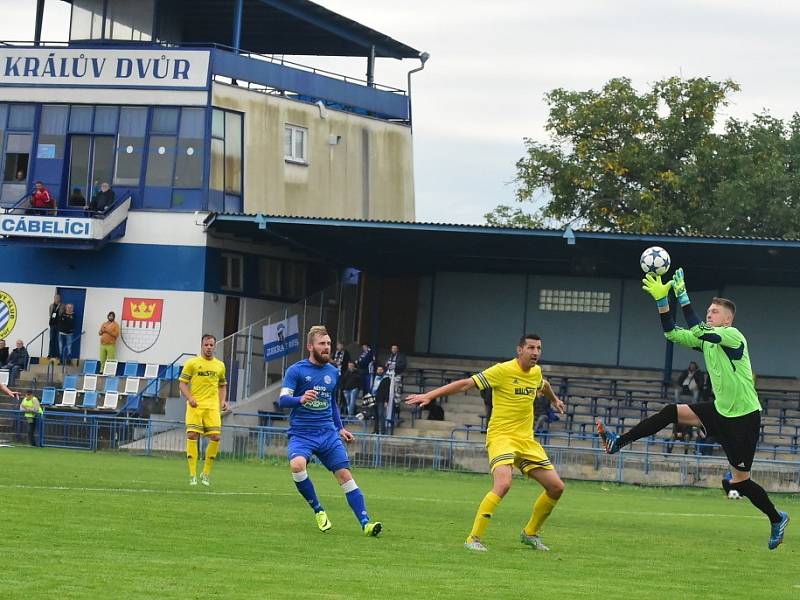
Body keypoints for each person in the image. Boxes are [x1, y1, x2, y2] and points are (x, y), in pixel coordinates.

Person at [597, 268, 789, 550]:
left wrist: (684, 296)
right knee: (670, 412)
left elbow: (700, 329)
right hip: (719, 410)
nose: (709, 314)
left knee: (741, 483)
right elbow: (673, 334)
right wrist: (663, 302)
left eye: (714, 311)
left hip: (743, 419)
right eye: (708, 310)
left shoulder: (734, 336)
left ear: (727, 318)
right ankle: (618, 443)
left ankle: (776, 517)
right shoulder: (708, 339)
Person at [407, 333, 567, 552]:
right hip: (501, 437)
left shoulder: (536, 372)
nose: (535, 352)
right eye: (530, 348)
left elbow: (544, 385)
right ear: (519, 350)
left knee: (556, 487)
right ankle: (473, 538)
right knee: (503, 484)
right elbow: (465, 384)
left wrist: (555, 400)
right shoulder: (502, 370)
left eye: (538, 348)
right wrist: (430, 395)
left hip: (526, 440)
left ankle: (530, 533)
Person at [278, 325, 381, 537]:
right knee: (297, 465)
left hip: (327, 434)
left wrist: (340, 427)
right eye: (322, 344)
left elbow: (332, 402)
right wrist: (300, 399)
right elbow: (283, 400)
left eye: (328, 344)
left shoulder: (333, 371)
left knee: (345, 476)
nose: (326, 348)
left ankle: (366, 524)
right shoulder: (296, 370)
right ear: (310, 346)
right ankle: (318, 509)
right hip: (302, 434)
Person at [179, 334, 228, 487]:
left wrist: (223, 401)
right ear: (202, 345)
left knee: (215, 437)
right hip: (195, 405)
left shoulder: (220, 365)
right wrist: (190, 398)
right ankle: (192, 474)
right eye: (206, 345)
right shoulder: (192, 363)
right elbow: (182, 383)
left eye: (211, 345)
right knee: (192, 434)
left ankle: (205, 474)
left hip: (212, 406)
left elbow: (222, 385)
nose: (208, 347)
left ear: (215, 346)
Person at [384, 344, 407, 429]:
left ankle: (396, 408)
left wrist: (394, 366)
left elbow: (402, 365)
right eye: (392, 348)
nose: (393, 349)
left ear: (397, 349)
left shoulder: (401, 356)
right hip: (389, 376)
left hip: (396, 376)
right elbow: (386, 364)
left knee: (396, 394)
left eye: (395, 348)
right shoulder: (390, 356)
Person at [370, 365, 391, 435]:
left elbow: (387, 390)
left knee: (381, 415)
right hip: (373, 398)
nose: (379, 371)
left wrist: (386, 401)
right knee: (375, 415)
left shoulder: (386, 379)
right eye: (378, 370)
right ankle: (375, 430)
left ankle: (382, 431)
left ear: (383, 371)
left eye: (380, 370)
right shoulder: (374, 377)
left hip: (381, 399)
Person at [48, 294, 63, 361]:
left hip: (59, 325)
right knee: (51, 339)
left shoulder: (62, 306)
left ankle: (58, 355)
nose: (57, 299)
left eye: (58, 298)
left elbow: (62, 315)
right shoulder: (51, 305)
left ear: (60, 299)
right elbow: (50, 314)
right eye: (56, 298)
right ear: (54, 298)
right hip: (52, 325)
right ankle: (50, 354)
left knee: (58, 340)